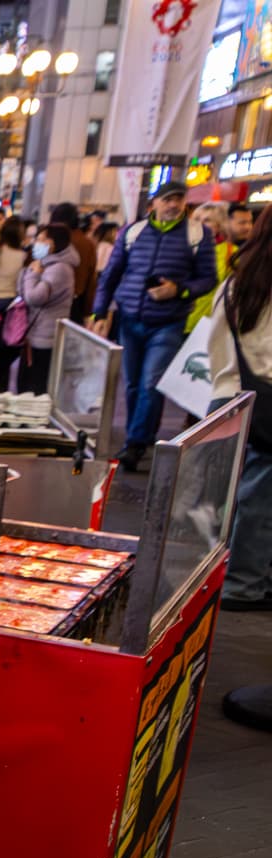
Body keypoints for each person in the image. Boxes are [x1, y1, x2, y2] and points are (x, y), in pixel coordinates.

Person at [89, 180, 218, 472]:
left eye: (179, 199)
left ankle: (134, 444)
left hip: (169, 322)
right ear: (154, 204)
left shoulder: (198, 235)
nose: (173, 204)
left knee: (151, 383)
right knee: (133, 384)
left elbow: (208, 279)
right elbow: (110, 275)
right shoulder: (132, 232)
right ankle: (143, 435)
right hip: (130, 318)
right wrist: (99, 312)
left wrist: (179, 290)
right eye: (167, 199)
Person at [202, 215, 272, 616]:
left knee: (227, 498)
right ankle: (243, 583)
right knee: (258, 498)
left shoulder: (236, 282)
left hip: (225, 398)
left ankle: (224, 576)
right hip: (262, 403)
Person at [15, 223, 78, 394]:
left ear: (54, 243)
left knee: (35, 388)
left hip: (45, 337)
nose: (36, 243)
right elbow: (22, 291)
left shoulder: (59, 269)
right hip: (35, 334)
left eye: (41, 239)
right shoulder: (45, 264)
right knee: (26, 385)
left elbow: (34, 297)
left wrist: (33, 273)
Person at [50, 202, 98, 320]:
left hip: (47, 299)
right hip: (76, 301)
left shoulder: (49, 238)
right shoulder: (87, 243)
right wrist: (88, 310)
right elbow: (91, 279)